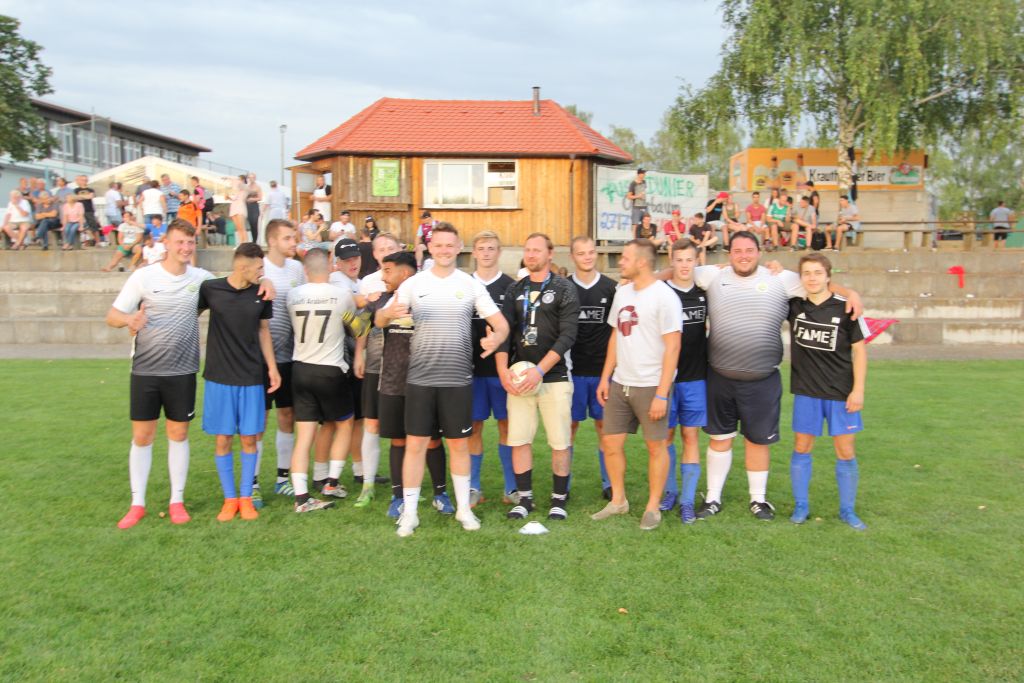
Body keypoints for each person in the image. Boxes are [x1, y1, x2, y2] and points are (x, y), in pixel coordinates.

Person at [687, 231, 862, 522]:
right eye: (737, 251)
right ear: (729, 253)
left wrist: (850, 293)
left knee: (758, 441)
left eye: (749, 250)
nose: (743, 256)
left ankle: (758, 499)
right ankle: (712, 497)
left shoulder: (780, 278)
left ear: (759, 252)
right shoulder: (712, 275)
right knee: (720, 439)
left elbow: (818, 281)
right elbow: (678, 270)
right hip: (720, 377)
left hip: (763, 379)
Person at [380, 223, 510, 537]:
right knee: (416, 444)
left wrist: (496, 339)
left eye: (450, 245)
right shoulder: (414, 283)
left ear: (458, 247)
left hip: (457, 379)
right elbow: (379, 319)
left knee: (458, 445)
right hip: (420, 379)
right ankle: (410, 514)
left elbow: (502, 325)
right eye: (438, 245)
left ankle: (464, 509)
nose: (444, 250)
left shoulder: (469, 284)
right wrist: (387, 314)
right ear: (430, 247)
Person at [105, 220, 225, 529]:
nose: (185, 247)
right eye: (180, 242)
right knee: (142, 436)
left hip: (183, 371)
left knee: (179, 434)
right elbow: (112, 315)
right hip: (145, 370)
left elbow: (232, 289)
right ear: (167, 243)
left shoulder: (202, 279)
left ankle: (176, 501)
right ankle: (137, 504)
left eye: (190, 242)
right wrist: (129, 320)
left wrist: (264, 282)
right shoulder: (143, 276)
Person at [592, 239, 681, 530]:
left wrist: (662, 394)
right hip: (621, 383)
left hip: (651, 385)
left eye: (626, 257)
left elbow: (673, 347)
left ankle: (653, 507)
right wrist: (606, 377)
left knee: (656, 447)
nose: (621, 262)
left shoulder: (664, 297)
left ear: (642, 262)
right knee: (610, 443)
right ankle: (618, 500)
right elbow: (616, 337)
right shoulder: (622, 293)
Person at [495, 233, 578, 521]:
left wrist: (539, 370)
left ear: (550, 254)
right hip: (519, 377)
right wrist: (503, 372)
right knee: (519, 439)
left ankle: (558, 500)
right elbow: (503, 334)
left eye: (537, 250)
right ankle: (525, 499)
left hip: (553, 376)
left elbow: (568, 336)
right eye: (527, 250)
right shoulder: (514, 289)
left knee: (559, 441)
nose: (531, 255)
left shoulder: (564, 288)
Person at [198, 242, 280, 523]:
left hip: (251, 377)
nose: (262, 272)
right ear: (243, 266)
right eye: (259, 268)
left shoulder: (262, 293)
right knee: (223, 439)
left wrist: (272, 369)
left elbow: (264, 332)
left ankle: (246, 498)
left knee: (249, 438)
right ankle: (229, 499)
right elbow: (188, 314)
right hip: (219, 377)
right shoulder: (210, 289)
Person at [788, 253, 869, 529]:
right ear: (801, 278)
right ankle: (801, 506)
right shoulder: (794, 306)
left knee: (845, 451)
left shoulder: (846, 308)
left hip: (841, 392)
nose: (812, 278)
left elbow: (860, 352)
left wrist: (858, 390)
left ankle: (847, 510)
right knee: (802, 447)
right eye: (807, 273)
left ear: (828, 277)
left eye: (818, 273)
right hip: (806, 391)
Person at [374, 250, 448, 519]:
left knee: (432, 440)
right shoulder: (386, 299)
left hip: (425, 381)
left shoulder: (428, 296)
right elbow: (377, 320)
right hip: (392, 382)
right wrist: (387, 312)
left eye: (388, 270)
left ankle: (441, 494)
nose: (383, 277)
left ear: (404, 273)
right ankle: (398, 497)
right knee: (398, 440)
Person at [286, 247, 359, 513]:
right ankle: (331, 483)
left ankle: (301, 497)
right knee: (345, 423)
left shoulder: (293, 295)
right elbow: (357, 328)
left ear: (305, 269)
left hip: (300, 368)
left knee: (305, 434)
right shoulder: (341, 295)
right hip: (330, 369)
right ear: (330, 266)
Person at [256, 219, 306, 507]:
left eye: (294, 237)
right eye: (287, 238)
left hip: (289, 356)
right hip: (260, 360)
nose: (293, 243)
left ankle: (282, 478)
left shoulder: (297, 268)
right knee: (259, 421)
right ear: (272, 241)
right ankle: (251, 483)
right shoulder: (259, 267)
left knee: (287, 415)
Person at [658, 240, 708, 523]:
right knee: (665, 436)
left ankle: (688, 501)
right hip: (666, 379)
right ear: (671, 260)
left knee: (691, 436)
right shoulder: (661, 292)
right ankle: (670, 492)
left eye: (690, 259)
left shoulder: (705, 293)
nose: (685, 265)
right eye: (680, 259)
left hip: (695, 379)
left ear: (697, 261)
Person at [351, 232, 402, 507]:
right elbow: (362, 323)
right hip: (374, 362)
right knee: (371, 422)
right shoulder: (368, 283)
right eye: (381, 249)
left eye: (390, 247)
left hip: (402, 367)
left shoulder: (410, 281)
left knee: (401, 427)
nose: (385, 252)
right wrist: (359, 353)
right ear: (374, 254)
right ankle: (367, 484)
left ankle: (403, 486)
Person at [567, 235, 619, 499]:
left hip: (602, 374)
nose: (587, 257)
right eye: (581, 253)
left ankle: (609, 483)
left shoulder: (611, 288)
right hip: (571, 373)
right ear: (572, 256)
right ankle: (562, 484)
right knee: (568, 429)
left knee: (604, 429)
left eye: (590, 252)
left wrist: (609, 374)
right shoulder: (564, 288)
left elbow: (617, 333)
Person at [468, 231, 516, 506]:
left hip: (501, 371)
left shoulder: (511, 286)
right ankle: (473, 487)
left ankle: (511, 488)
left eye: (491, 248)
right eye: (482, 248)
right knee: (473, 427)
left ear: (499, 252)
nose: (486, 253)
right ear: (474, 252)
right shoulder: (464, 283)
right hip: (470, 371)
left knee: (507, 426)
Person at [74, 176, 102, 247]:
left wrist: (81, 196)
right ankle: (87, 241)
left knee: (93, 225)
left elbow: (91, 196)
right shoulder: (76, 190)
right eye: (82, 180)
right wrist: (86, 196)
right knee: (83, 226)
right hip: (79, 210)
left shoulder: (90, 189)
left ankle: (98, 242)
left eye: (85, 180)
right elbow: (76, 198)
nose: (84, 181)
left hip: (89, 210)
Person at [627, 168, 648, 234]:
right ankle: (634, 239)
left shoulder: (644, 182)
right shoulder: (633, 184)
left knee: (646, 222)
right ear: (639, 174)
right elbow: (629, 196)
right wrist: (638, 196)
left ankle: (644, 237)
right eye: (643, 173)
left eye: (644, 174)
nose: (644, 175)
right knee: (635, 224)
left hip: (644, 206)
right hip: (636, 207)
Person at [229, 174, 249, 243]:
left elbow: (240, 186)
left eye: (239, 179)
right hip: (234, 206)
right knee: (238, 227)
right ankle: (241, 242)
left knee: (242, 227)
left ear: (243, 180)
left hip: (240, 207)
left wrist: (232, 179)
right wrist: (228, 197)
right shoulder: (236, 189)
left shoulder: (245, 187)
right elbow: (233, 197)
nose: (238, 181)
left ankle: (245, 242)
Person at [245, 173, 263, 243]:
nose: (251, 179)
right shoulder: (247, 187)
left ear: (255, 178)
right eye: (249, 178)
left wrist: (252, 199)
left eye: (252, 177)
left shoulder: (258, 187)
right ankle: (252, 239)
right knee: (251, 223)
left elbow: (260, 198)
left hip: (254, 206)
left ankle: (255, 240)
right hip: (247, 206)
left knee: (254, 222)